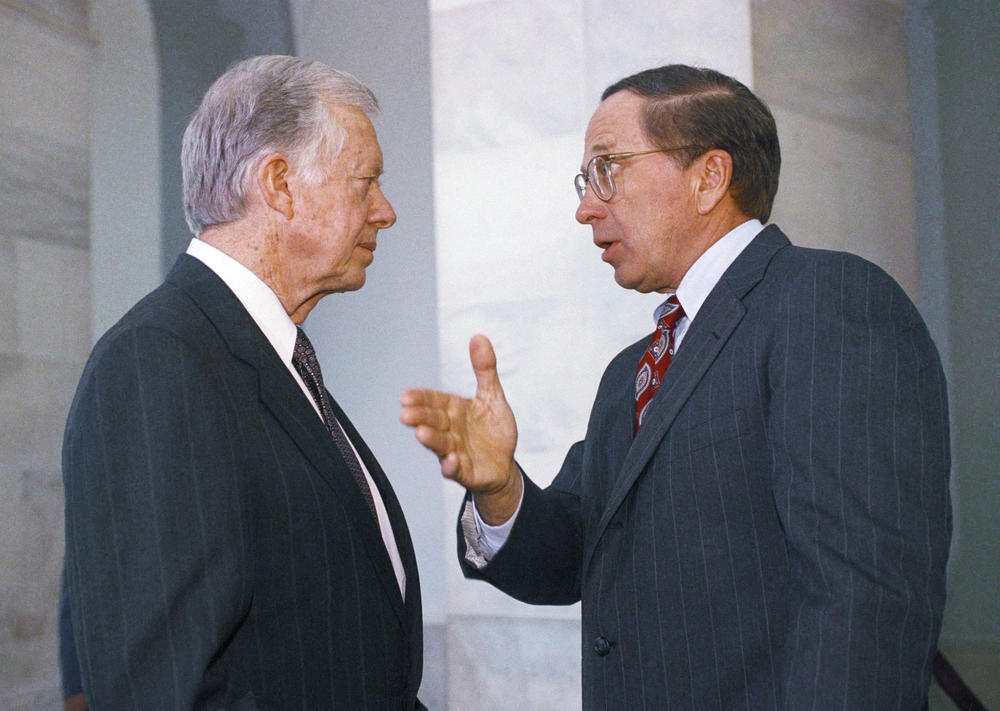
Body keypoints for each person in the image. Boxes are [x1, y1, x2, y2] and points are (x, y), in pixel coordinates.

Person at [400, 64, 951, 709]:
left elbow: (866, 595)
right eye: (585, 179)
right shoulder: (632, 369)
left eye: (608, 169)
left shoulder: (825, 302)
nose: (585, 207)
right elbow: (571, 558)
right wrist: (501, 490)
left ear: (708, 178)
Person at [62, 55, 425, 709]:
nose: (386, 211)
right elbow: (167, 688)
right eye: (365, 182)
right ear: (280, 184)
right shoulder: (158, 361)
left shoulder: (268, 359)